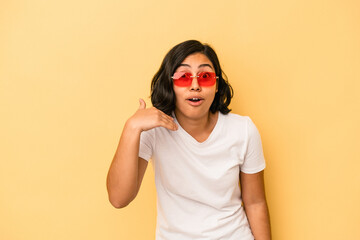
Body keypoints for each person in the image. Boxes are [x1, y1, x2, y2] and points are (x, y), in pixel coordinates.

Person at [106, 40, 271, 240]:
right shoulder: (153, 131)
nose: (195, 85)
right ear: (170, 84)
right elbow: (118, 198)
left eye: (205, 76)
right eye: (184, 77)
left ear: (217, 85)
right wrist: (131, 128)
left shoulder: (243, 130)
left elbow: (255, 203)